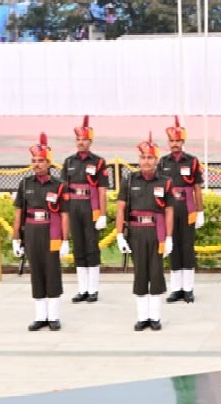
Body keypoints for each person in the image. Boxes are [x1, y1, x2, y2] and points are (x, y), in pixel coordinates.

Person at [115, 134, 175, 331]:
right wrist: (119, 235)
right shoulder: (129, 180)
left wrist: (168, 237)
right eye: (142, 157)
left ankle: (155, 317)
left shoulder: (165, 182)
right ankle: (142, 317)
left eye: (150, 157)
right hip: (136, 232)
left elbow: (168, 210)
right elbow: (121, 208)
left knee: (156, 273)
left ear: (156, 160)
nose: (146, 161)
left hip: (156, 231)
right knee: (140, 273)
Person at [12, 134, 70, 331]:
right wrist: (16, 238)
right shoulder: (25, 184)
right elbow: (19, 212)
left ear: (48, 162)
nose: (36, 165)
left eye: (40, 161)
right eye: (34, 161)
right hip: (32, 232)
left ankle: (53, 316)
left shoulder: (59, 186)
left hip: (51, 232)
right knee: (36, 272)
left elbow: (64, 214)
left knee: (52, 272)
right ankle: (40, 316)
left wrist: (65, 240)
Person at [60, 115, 110, 303]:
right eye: (78, 139)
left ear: (90, 141)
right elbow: (63, 189)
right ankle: (82, 289)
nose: (80, 142)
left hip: (91, 207)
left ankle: (93, 289)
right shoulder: (69, 162)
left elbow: (102, 189)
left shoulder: (98, 162)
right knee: (79, 246)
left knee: (91, 247)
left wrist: (103, 214)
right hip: (73, 206)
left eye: (84, 139)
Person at [157, 116, 204, 303]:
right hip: (169, 211)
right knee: (173, 247)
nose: (174, 144)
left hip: (188, 210)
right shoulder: (162, 162)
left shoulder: (192, 161)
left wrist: (200, 211)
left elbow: (197, 188)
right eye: (172, 141)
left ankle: (188, 288)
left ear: (183, 141)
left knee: (187, 247)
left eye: (178, 140)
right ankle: (176, 288)